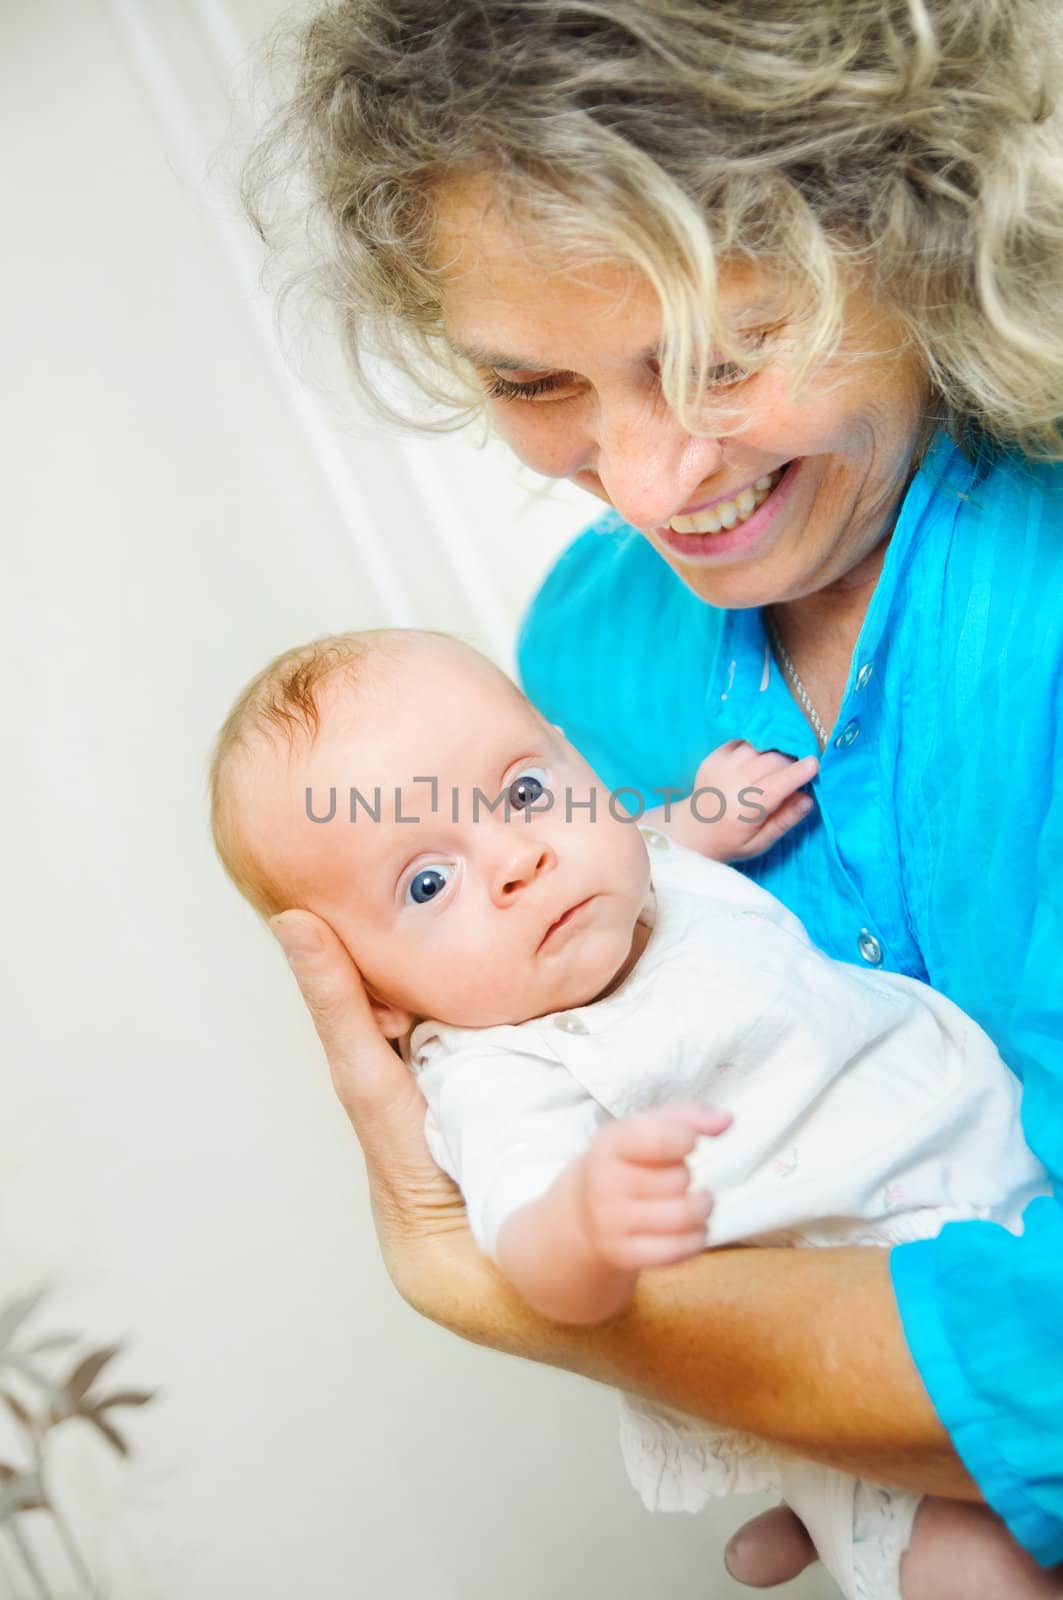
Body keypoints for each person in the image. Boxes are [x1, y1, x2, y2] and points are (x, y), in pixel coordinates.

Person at [241, 1, 1063, 1590]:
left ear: (921, 226)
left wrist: (468, 1277)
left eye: (723, 355)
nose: (645, 486)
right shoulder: (584, 645)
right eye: (535, 383)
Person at [209, 624, 1049, 1600]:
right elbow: (524, 1246)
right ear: (376, 999)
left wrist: (706, 812)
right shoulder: (494, 1069)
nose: (519, 857)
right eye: (426, 881)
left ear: (574, 765)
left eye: (523, 792)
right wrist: (583, 1226)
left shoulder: (619, 870)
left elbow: (641, 839)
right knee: (975, 1570)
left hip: (1006, 1188)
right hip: (852, 1352)